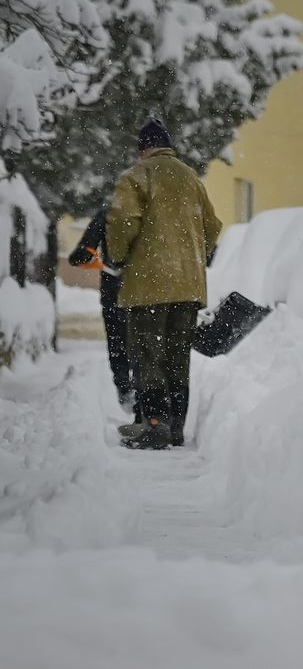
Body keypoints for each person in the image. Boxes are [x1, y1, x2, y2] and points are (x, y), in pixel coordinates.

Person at [108, 118, 222, 450]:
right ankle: (175, 428)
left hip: (149, 285)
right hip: (188, 287)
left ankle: (155, 423)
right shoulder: (191, 178)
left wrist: (118, 255)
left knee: (148, 354)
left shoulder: (137, 175)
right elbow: (213, 225)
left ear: (143, 148)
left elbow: (123, 221)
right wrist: (193, 257)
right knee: (177, 357)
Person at [68, 210, 136, 411]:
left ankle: (135, 392)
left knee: (130, 343)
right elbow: (83, 250)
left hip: (139, 291)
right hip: (118, 290)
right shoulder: (107, 216)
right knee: (121, 342)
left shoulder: (148, 212)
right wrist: (85, 254)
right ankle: (126, 390)